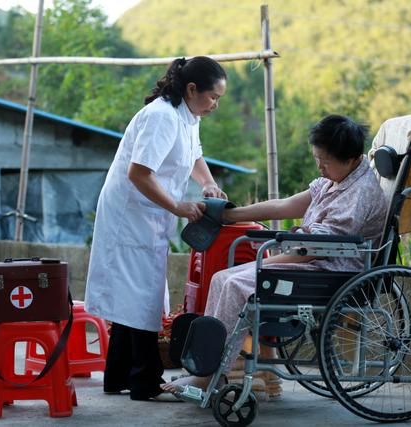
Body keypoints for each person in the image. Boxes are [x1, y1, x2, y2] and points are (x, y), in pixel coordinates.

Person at [162, 114, 389, 394]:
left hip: (330, 271)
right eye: (317, 158)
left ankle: (211, 374)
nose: (320, 166)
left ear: (352, 158)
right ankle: (207, 368)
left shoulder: (360, 192)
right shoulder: (337, 180)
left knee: (235, 284)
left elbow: (315, 249)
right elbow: (286, 206)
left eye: (325, 162)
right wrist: (229, 215)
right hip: (312, 260)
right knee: (222, 278)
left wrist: (267, 262)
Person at [85, 56, 228, 401]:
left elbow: (193, 156)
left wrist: (207, 183)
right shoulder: (161, 116)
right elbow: (139, 173)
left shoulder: (189, 115)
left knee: (135, 293)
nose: (215, 105)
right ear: (192, 89)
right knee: (141, 296)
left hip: (149, 213)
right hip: (130, 213)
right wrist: (178, 206)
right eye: (213, 97)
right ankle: (145, 380)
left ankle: (118, 375)